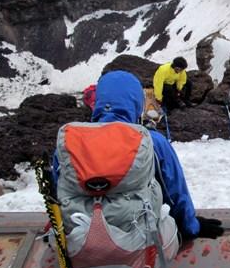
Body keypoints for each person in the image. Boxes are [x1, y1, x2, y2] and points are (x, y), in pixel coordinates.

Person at [90, 70, 223, 239]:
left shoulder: (70, 140)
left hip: (82, 239)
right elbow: (175, 193)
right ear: (136, 103)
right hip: (141, 242)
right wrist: (191, 227)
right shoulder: (151, 141)